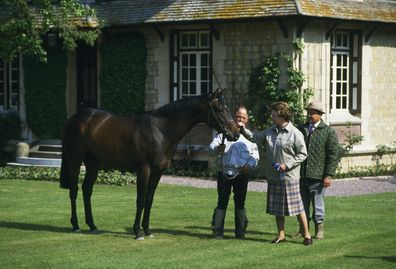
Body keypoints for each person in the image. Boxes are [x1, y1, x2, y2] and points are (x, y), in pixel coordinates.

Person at [239, 101, 313, 245]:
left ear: (282, 116)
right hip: (273, 177)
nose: (272, 118)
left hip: (289, 177)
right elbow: (255, 137)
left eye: (274, 115)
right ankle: (281, 235)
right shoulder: (270, 131)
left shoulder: (295, 133)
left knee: (298, 207)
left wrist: (287, 165)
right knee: (277, 208)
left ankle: (307, 235)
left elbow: (303, 154)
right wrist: (243, 129)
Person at [209, 106, 259, 239]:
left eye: (243, 117)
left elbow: (255, 156)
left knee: (240, 202)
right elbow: (211, 148)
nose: (240, 119)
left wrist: (249, 165)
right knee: (222, 201)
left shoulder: (250, 138)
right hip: (224, 172)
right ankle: (218, 231)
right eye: (238, 116)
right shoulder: (223, 134)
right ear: (234, 117)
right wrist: (218, 148)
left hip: (241, 174)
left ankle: (240, 232)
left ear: (246, 120)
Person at [295, 100, 339, 240]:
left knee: (318, 205)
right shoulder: (300, 129)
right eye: (308, 112)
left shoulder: (328, 132)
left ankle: (319, 229)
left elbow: (333, 155)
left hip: (318, 176)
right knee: (302, 204)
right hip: (301, 175)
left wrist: (328, 175)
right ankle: (303, 229)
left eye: (312, 113)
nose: (309, 115)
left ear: (320, 115)